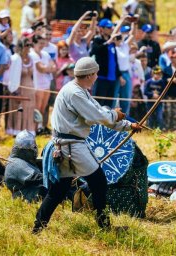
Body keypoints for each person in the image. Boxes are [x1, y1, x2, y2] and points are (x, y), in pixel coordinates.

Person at [32, 57, 141, 233]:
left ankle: (37, 228)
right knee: (99, 183)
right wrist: (115, 115)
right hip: (71, 146)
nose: (97, 76)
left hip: (68, 146)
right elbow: (98, 116)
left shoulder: (79, 90)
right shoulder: (74, 93)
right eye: (96, 73)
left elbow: (99, 114)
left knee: (59, 191)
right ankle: (104, 227)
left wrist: (128, 125)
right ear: (89, 75)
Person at [5, 130, 46, 202]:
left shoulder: (20, 159)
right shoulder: (16, 163)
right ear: (26, 150)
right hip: (24, 194)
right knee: (52, 191)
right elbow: (37, 178)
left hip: (27, 189)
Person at [89, 18, 121, 108]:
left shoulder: (112, 43)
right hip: (102, 77)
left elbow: (115, 60)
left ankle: (105, 122)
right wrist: (108, 42)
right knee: (98, 104)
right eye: (108, 27)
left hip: (112, 78)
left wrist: (119, 74)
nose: (111, 29)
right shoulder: (97, 40)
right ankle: (96, 122)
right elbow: (96, 50)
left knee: (109, 105)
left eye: (111, 27)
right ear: (101, 29)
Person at [30, 34, 56, 133]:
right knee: (37, 108)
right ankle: (34, 129)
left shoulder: (45, 54)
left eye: (43, 43)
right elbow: (41, 69)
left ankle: (39, 128)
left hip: (46, 84)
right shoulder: (33, 54)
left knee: (43, 108)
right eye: (40, 43)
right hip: (37, 85)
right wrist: (47, 67)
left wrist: (47, 68)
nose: (41, 45)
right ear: (34, 43)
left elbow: (53, 67)